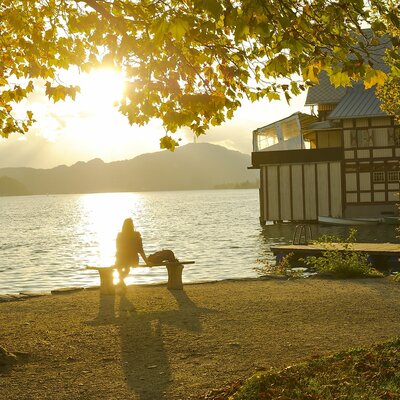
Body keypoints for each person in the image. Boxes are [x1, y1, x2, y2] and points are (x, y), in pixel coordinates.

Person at [115, 218, 149, 289]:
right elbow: (141, 250)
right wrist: (147, 262)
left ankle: (121, 281)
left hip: (121, 259)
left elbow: (118, 249)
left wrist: (117, 259)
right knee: (127, 268)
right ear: (132, 225)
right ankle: (121, 282)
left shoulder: (120, 235)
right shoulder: (136, 235)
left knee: (120, 266)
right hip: (133, 260)